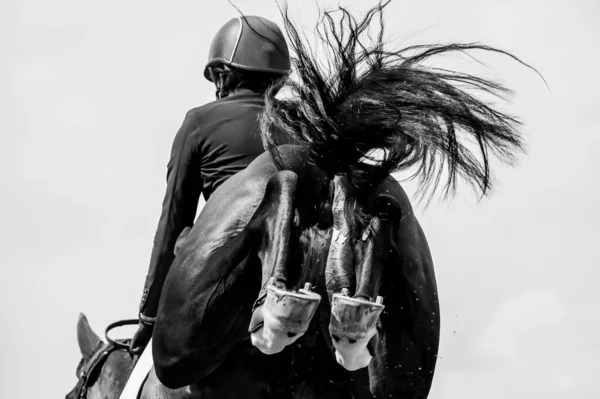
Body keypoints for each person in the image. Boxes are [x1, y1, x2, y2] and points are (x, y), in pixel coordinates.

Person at [130, 15, 291, 355]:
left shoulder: (198, 122)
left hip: (223, 282)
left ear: (223, 75)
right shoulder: (304, 124)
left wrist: (149, 316)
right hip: (291, 281)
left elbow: (173, 222)